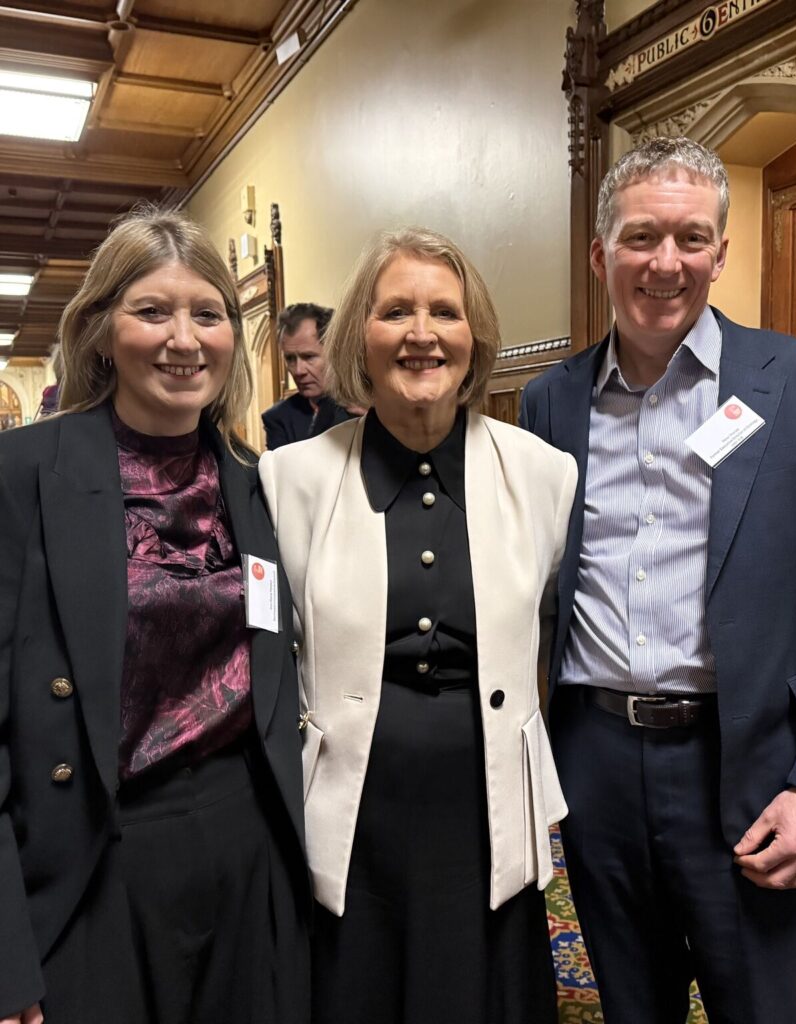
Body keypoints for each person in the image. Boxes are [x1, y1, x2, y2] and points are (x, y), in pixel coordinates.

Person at [520, 136, 796, 1023]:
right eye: (641, 237)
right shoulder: (547, 403)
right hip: (595, 766)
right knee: (632, 1008)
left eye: (691, 238)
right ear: (601, 255)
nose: (666, 263)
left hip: (751, 769)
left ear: (721, 251)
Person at [259, 227, 577, 1024]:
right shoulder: (288, 480)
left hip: (489, 812)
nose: (422, 333)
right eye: (396, 310)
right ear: (358, 338)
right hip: (352, 813)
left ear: (476, 340)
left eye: (445, 312)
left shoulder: (544, 474)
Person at [0, 208, 309, 1024]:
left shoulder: (257, 480)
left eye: (207, 314)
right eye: (151, 310)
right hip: (93, 854)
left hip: (247, 843)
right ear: (101, 331)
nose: (183, 338)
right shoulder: (22, 474)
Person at [261, 302, 356, 448]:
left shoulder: (368, 406)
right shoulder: (278, 418)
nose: (299, 371)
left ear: (336, 352)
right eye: (290, 358)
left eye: (309, 357)